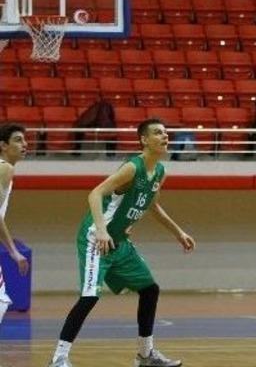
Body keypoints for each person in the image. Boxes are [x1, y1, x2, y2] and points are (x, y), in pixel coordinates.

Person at [49, 119, 196, 367]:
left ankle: (145, 354)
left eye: (166, 132)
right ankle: (59, 359)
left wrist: (178, 232)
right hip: (97, 238)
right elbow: (95, 193)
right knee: (89, 297)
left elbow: (152, 206)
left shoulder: (159, 172)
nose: (165, 136)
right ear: (144, 140)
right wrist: (102, 230)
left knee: (150, 289)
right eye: (158, 133)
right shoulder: (132, 168)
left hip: (120, 242)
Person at [0, 124, 30, 326]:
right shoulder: (5, 168)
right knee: (1, 300)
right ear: (3, 145)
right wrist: (13, 251)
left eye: (25, 139)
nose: (25, 144)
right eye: (18, 140)